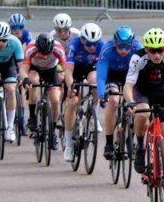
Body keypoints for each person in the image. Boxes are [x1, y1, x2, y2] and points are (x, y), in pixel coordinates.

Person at [124, 28, 164, 191]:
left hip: (162, 91)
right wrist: (130, 102)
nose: (156, 55)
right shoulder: (138, 58)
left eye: (160, 50)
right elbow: (128, 85)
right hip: (142, 91)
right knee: (143, 114)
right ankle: (140, 147)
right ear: (146, 49)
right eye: (152, 51)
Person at [61, 22, 104, 162]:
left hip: (91, 68)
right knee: (72, 102)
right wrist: (71, 87)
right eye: (88, 44)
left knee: (96, 82)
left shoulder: (101, 46)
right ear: (82, 40)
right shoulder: (74, 45)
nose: (92, 47)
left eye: (94, 44)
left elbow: (103, 71)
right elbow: (68, 71)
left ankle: (94, 116)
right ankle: (68, 145)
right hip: (75, 70)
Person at [97, 26, 140, 160]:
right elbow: (101, 76)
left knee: (136, 104)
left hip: (129, 75)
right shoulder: (107, 49)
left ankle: (130, 138)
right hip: (112, 75)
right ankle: (109, 144)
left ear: (131, 44)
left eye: (127, 47)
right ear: (114, 43)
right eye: (120, 46)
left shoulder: (138, 49)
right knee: (114, 101)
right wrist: (101, 95)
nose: (123, 50)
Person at [20, 33, 68, 144]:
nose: (45, 56)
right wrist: (25, 79)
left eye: (48, 53)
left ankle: (52, 131)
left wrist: (66, 80)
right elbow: (23, 69)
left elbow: (65, 68)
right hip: (35, 69)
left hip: (51, 71)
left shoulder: (58, 48)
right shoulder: (30, 48)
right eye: (42, 53)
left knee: (55, 100)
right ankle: (32, 116)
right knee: (33, 82)